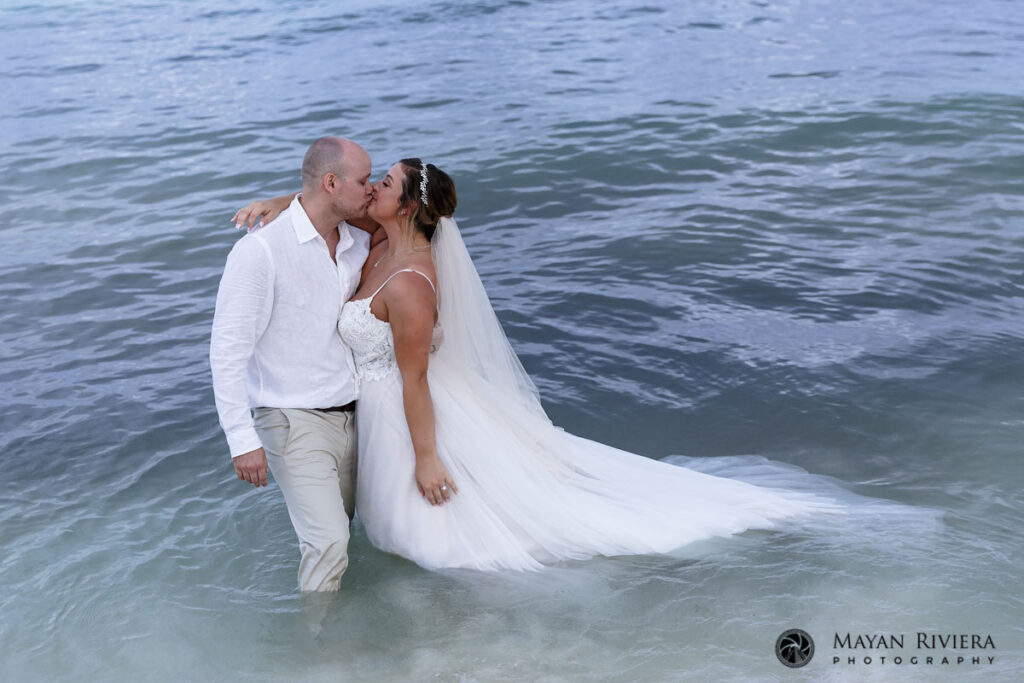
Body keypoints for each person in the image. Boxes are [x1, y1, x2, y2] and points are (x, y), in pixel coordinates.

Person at [236, 158, 849, 572]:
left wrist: (426, 457)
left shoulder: (411, 281)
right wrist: (283, 200)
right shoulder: (378, 238)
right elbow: (333, 201)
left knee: (440, 537)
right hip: (370, 402)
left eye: (386, 183)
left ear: (406, 208)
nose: (373, 188)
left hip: (400, 408)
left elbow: (416, 378)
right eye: (375, 179)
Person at [210, 136, 376, 591]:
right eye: (363, 180)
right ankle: (318, 653)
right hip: (292, 420)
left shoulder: (357, 243)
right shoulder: (260, 252)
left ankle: (343, 627)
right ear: (331, 182)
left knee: (343, 537)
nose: (372, 189)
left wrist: (287, 199)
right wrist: (241, 440)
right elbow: (227, 350)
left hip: (355, 416)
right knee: (328, 544)